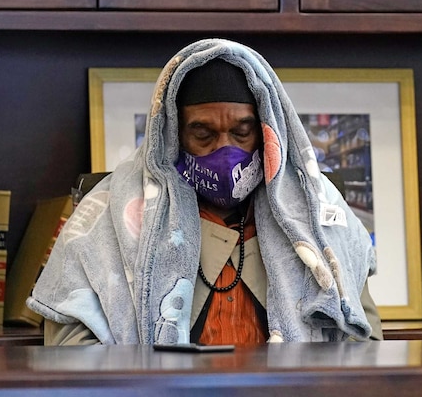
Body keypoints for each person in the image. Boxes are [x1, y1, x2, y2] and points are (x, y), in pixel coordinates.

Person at [28, 38, 382, 345]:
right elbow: (69, 343)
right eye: (203, 134)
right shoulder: (111, 212)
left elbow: (363, 339)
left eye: (242, 132)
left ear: (266, 131)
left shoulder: (315, 213)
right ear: (173, 135)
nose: (225, 150)